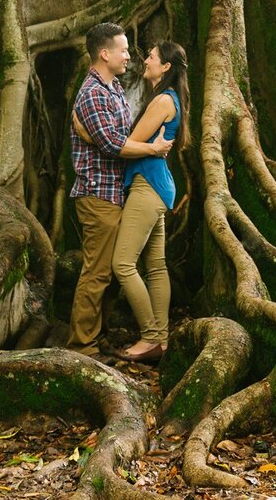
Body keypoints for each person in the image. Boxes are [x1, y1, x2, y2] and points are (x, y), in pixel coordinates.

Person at [67, 20, 164, 355]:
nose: (128, 56)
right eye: (122, 50)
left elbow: (121, 138)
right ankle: (82, 345)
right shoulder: (93, 93)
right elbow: (112, 144)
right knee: (97, 272)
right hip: (97, 196)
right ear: (104, 53)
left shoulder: (115, 89)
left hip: (114, 194)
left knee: (110, 270)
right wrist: (153, 149)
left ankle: (97, 335)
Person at [110, 40, 189, 363]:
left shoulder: (162, 102)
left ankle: (151, 338)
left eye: (152, 57)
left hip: (147, 187)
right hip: (158, 186)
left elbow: (129, 144)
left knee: (123, 264)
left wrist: (90, 135)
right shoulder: (167, 99)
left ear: (166, 67)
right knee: (155, 266)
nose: (146, 60)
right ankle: (163, 339)